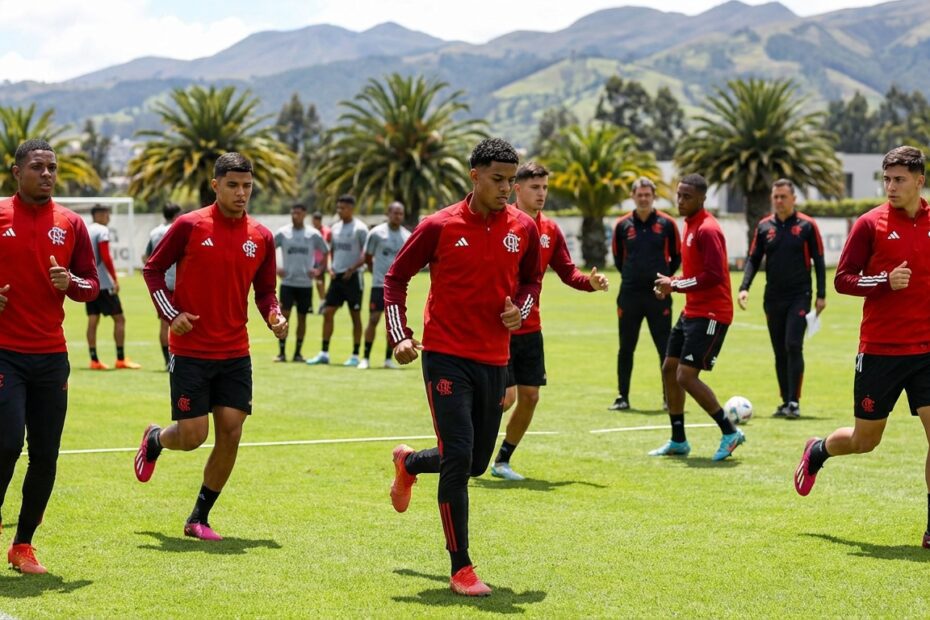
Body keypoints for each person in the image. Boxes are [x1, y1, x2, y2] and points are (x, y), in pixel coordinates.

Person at [385, 138, 542, 596]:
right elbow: (395, 278)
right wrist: (400, 335)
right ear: (474, 176)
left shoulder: (523, 228)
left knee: (474, 463)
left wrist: (522, 310)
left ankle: (409, 462)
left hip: (495, 358)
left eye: (512, 181)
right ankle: (462, 568)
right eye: (498, 180)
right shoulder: (439, 225)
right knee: (457, 458)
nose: (508, 190)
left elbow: (531, 279)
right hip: (445, 356)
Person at [135, 152, 287, 541]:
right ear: (215, 185)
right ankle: (155, 439)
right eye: (233, 185)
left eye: (247, 186)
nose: (241, 193)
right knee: (192, 437)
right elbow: (152, 270)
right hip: (190, 351)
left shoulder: (262, 237)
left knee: (231, 433)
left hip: (235, 352)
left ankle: (199, 517)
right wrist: (172, 315)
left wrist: (274, 316)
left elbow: (266, 292)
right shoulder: (189, 225)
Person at [795, 146, 930, 549]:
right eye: (886, 179)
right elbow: (843, 279)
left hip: (926, 350)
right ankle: (818, 451)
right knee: (864, 440)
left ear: (919, 180)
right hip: (880, 351)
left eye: (899, 179)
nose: (890, 187)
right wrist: (884, 282)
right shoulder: (869, 224)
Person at [0, 139, 100, 574]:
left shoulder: (71, 222)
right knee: (5, 445)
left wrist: (70, 282)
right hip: (5, 352)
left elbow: (92, 286)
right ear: (16, 170)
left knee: (46, 455)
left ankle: (23, 545)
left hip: (51, 356)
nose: (46, 174)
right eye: (37, 166)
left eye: (52, 168)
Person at [491, 162, 609, 481]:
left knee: (530, 396)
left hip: (531, 330)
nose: (541, 193)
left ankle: (502, 461)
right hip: (498, 328)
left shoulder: (550, 230)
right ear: (517, 189)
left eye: (545, 188)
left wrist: (590, 283)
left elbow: (568, 272)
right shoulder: (501, 224)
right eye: (534, 187)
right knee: (505, 398)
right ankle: (468, 443)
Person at [652, 174, 745, 461]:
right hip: (692, 310)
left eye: (687, 196)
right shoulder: (690, 225)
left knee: (685, 375)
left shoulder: (708, 229)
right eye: (678, 195)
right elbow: (695, 273)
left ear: (702, 198)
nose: (680, 201)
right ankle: (678, 439)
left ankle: (729, 431)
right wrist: (672, 282)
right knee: (669, 368)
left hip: (712, 313)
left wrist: (675, 285)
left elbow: (714, 275)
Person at [738, 179, 827, 419]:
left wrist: (821, 294)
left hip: (800, 296)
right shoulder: (764, 226)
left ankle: (794, 402)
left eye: (783, 196)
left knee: (793, 345)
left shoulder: (807, 226)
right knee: (779, 351)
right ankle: (785, 400)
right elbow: (754, 259)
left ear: (793, 198)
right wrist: (744, 287)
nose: (779, 201)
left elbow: (818, 260)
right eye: (775, 197)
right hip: (773, 297)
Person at [609, 177, 680, 411]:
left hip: (658, 296)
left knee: (665, 349)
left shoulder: (667, 224)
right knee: (626, 347)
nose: (643, 198)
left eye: (647, 195)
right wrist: (632, 276)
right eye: (639, 195)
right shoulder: (622, 225)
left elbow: (676, 257)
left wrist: (663, 281)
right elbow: (619, 258)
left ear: (654, 196)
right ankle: (622, 397)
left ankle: (668, 398)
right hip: (629, 295)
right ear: (633, 196)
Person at [306, 195, 368, 366]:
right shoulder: (335, 228)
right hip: (337, 277)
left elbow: (366, 254)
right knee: (327, 313)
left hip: (354, 278)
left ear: (352, 209)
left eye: (344, 208)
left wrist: (352, 269)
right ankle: (324, 353)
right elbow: (331, 251)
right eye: (338, 208)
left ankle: (355, 355)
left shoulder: (360, 229)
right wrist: (330, 267)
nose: (340, 211)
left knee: (355, 316)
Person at [85, 205, 141, 370]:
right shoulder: (102, 230)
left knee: (93, 319)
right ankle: (120, 358)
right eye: (107, 214)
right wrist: (114, 279)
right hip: (104, 283)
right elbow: (105, 255)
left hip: (90, 283)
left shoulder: (86, 230)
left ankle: (94, 360)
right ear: (100, 215)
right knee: (119, 319)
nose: (108, 218)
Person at [359, 202, 410, 370]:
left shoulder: (407, 236)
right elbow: (368, 256)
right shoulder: (376, 233)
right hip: (378, 285)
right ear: (388, 213)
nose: (397, 216)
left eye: (400, 213)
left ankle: (388, 359)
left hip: (397, 289)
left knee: (393, 324)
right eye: (394, 213)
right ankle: (365, 358)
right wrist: (376, 274)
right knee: (373, 319)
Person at [274, 203, 328, 363]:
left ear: (305, 214)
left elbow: (325, 252)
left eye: (298, 213)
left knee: (302, 318)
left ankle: (298, 353)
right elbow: (268, 250)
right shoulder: (283, 233)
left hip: (305, 284)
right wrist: (276, 268)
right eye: (293, 213)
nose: (295, 216)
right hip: (288, 283)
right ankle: (281, 353)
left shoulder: (313, 234)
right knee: (284, 318)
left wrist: (319, 270)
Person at [143, 202, 183, 368]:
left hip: (161, 283)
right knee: (182, 321)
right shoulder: (181, 229)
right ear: (176, 215)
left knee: (165, 322)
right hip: (179, 281)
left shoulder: (154, 233)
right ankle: (178, 358)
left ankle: (167, 361)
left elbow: (146, 257)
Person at [310, 211, 330, 314]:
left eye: (317, 220)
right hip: (311, 260)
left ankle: (323, 302)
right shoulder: (310, 231)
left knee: (320, 282)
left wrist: (327, 261)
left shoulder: (326, 231)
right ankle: (322, 302)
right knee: (311, 283)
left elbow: (329, 245)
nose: (315, 222)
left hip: (321, 260)